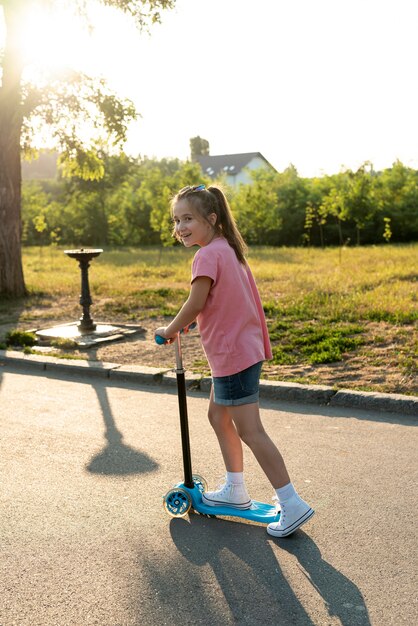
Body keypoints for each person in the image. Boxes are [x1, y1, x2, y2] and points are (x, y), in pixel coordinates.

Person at [154, 184, 314, 537]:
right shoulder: (227, 248)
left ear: (211, 218)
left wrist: (170, 329)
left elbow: (196, 303)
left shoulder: (207, 255)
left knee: (251, 431)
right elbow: (221, 300)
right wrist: (194, 321)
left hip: (233, 355)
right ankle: (235, 489)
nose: (180, 227)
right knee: (217, 415)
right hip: (240, 350)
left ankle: (291, 503)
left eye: (188, 219)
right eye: (176, 220)